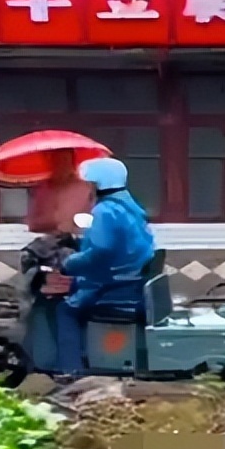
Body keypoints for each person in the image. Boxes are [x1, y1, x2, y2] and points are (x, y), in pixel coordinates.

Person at [53, 158, 155, 378]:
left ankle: (71, 371)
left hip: (112, 288)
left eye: (88, 182)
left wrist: (68, 264)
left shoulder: (104, 211)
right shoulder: (131, 207)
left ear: (98, 183)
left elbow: (100, 253)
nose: (86, 187)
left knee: (65, 311)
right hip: (131, 283)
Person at [26, 153, 92, 235]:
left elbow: (88, 220)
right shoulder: (42, 188)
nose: (61, 164)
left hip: (76, 239)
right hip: (46, 239)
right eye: (56, 161)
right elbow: (32, 222)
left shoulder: (83, 187)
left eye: (65, 160)